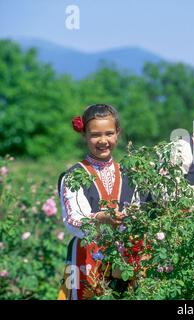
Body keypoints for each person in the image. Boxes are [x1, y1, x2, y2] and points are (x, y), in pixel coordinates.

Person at [57, 104, 141, 300]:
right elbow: (73, 220)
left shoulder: (130, 174)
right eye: (95, 135)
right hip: (86, 257)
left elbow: (138, 211)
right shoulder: (74, 176)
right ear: (84, 135)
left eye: (109, 133)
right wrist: (100, 218)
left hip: (123, 258)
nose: (103, 140)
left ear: (117, 134)